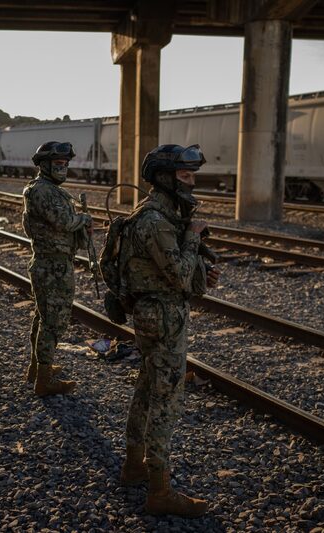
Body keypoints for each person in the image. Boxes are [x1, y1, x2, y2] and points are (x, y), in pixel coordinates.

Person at [117, 144, 220, 517]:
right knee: (166, 400)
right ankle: (159, 490)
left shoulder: (159, 214)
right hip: (163, 316)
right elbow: (176, 274)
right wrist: (193, 235)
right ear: (165, 178)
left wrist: (200, 272)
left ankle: (133, 466)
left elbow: (175, 271)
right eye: (186, 176)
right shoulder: (155, 220)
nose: (192, 183)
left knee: (147, 387)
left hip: (155, 313)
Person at [22, 141, 92, 397]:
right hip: (52, 266)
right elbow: (63, 221)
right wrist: (84, 219)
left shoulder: (51, 190)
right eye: (58, 164)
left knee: (44, 318)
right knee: (53, 322)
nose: (63, 169)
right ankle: (44, 379)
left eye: (65, 164)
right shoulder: (41, 190)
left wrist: (81, 227)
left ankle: (38, 368)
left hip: (55, 263)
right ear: (45, 165)